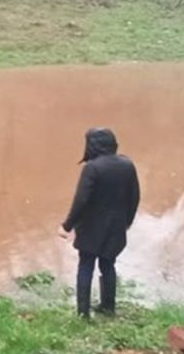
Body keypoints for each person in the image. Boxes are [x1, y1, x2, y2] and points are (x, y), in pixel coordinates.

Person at [59, 127, 140, 318]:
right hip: (116, 229)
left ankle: (83, 312)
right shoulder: (127, 165)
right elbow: (134, 197)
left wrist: (66, 226)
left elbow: (81, 201)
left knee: (86, 266)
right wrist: (127, 222)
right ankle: (108, 307)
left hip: (91, 230)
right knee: (108, 265)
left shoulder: (92, 168)